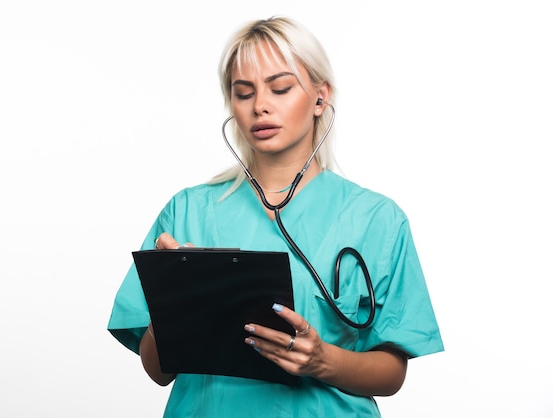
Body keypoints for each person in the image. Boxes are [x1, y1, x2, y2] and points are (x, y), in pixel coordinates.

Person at [108, 16, 444, 417]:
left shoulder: (377, 219)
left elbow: (392, 373)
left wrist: (323, 361)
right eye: (243, 93)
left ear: (321, 97)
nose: (260, 106)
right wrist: (179, 297)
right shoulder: (187, 212)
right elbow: (156, 371)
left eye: (280, 88)